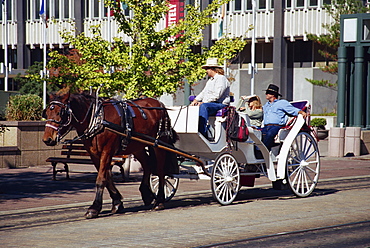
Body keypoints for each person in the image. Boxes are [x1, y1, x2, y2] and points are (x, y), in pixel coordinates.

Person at [190, 58, 230, 138]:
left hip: (220, 104)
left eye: (207, 69)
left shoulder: (221, 79)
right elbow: (203, 92)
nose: (206, 71)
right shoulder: (210, 80)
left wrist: (204, 102)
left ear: (213, 69)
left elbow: (217, 95)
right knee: (192, 107)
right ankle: (191, 129)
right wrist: (195, 100)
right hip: (211, 104)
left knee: (204, 106)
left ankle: (202, 132)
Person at [261, 84, 307, 150]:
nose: (266, 94)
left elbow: (292, 109)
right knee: (257, 135)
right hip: (266, 126)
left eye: (268, 93)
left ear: (273, 94)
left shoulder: (282, 103)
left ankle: (263, 152)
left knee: (270, 134)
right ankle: (259, 152)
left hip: (276, 126)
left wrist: (301, 112)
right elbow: (259, 110)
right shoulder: (266, 105)